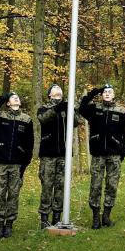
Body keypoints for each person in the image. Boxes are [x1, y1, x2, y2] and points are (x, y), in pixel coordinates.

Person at [0, 91, 34, 239]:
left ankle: (9, 224)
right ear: (8, 103)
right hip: (1, 163)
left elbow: (30, 145)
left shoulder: (27, 120)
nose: (16, 98)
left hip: (17, 165)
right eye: (12, 97)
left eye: (18, 97)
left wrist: (24, 166)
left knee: (14, 195)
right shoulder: (0, 117)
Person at [79, 84, 125, 229]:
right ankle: (95, 217)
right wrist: (94, 92)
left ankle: (106, 216)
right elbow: (81, 107)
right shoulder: (94, 109)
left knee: (112, 185)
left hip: (114, 155)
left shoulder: (121, 111)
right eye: (105, 92)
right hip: (98, 154)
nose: (107, 94)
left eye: (110, 92)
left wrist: (123, 151)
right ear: (102, 95)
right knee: (95, 185)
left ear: (114, 95)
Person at [37, 84, 80, 228]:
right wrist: (57, 108)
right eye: (54, 89)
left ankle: (57, 216)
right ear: (49, 94)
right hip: (48, 155)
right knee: (47, 186)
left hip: (64, 155)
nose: (58, 91)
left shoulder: (66, 109)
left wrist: (71, 109)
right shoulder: (44, 108)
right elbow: (43, 119)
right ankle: (44, 218)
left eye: (60, 90)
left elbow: (76, 122)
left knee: (61, 186)